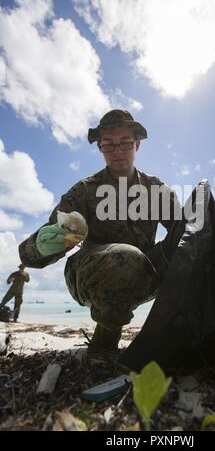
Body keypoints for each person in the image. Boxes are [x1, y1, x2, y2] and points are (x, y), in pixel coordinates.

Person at [19, 110, 182, 361]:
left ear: (136, 144)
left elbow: (186, 231)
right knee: (125, 257)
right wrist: (43, 244)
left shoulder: (155, 190)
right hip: (89, 275)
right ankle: (104, 343)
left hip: (144, 274)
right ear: (100, 148)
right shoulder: (85, 190)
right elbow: (31, 254)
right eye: (108, 144)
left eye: (125, 142)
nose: (117, 150)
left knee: (189, 245)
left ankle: (187, 333)